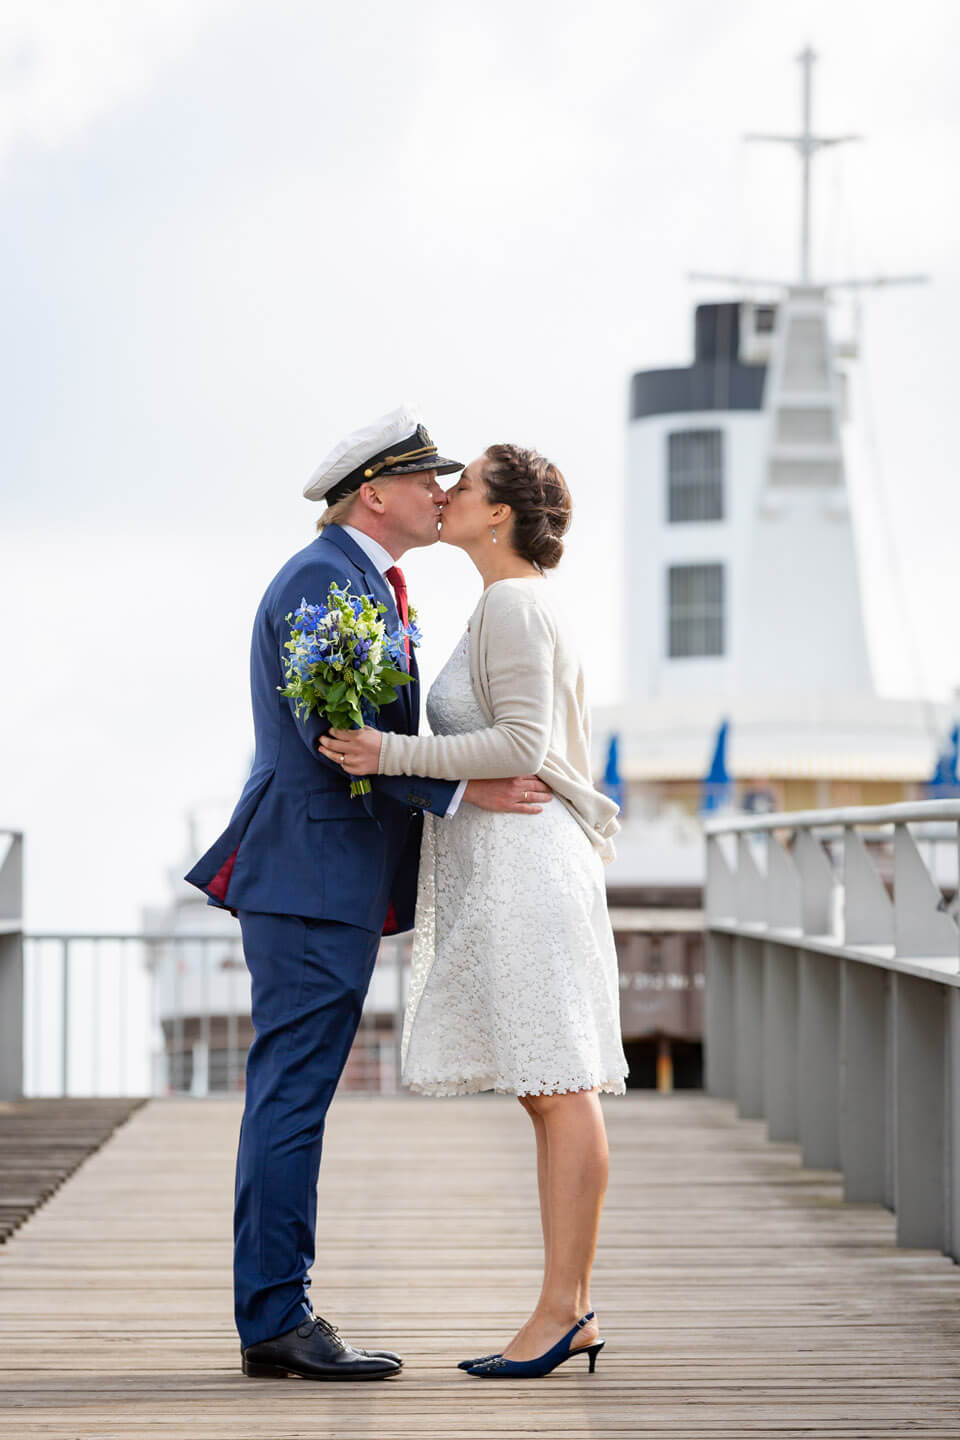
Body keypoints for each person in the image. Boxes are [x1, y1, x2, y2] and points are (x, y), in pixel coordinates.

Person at [185, 406, 552, 1381]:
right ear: (374, 494)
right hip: (309, 878)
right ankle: (276, 1318)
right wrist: (464, 792)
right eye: (426, 479)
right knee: (293, 1098)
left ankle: (276, 1311)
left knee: (293, 1094)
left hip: (322, 877)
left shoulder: (360, 582)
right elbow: (337, 741)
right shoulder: (324, 580)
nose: (441, 492)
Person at [320, 443, 628, 1379]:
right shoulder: (505, 601)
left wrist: (391, 753)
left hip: (530, 865)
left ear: (499, 514)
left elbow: (522, 745)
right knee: (548, 1088)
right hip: (512, 864)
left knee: (560, 1085)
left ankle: (565, 1311)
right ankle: (565, 1307)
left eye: (466, 485)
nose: (446, 493)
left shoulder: (514, 604)